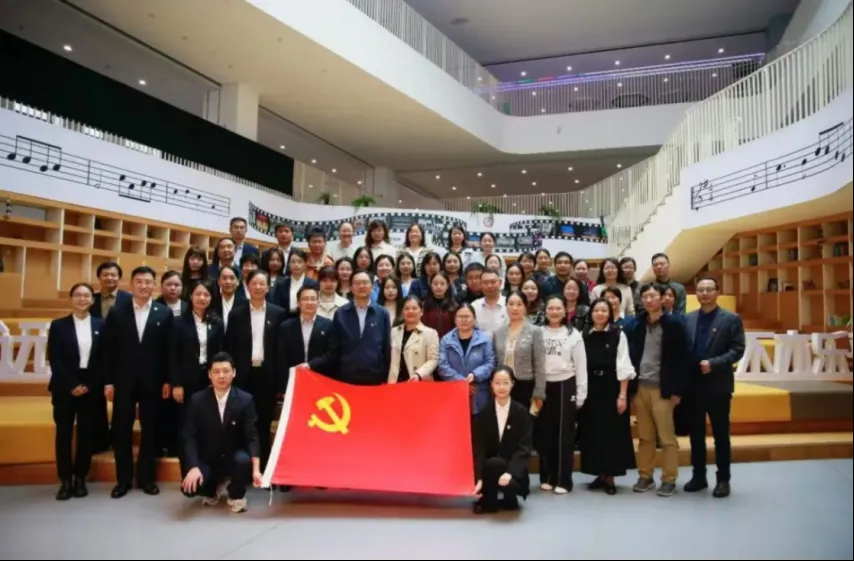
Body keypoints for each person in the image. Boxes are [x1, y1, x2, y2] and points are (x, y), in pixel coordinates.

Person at [103, 266, 175, 499]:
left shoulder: (164, 313)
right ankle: (123, 481)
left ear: (154, 285)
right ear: (131, 284)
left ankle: (146, 479)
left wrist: (168, 380)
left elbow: (169, 351)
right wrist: (108, 381)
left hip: (153, 381)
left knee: (150, 429)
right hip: (123, 381)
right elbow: (108, 350)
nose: (144, 286)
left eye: (148, 282)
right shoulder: (117, 312)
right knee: (121, 429)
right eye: (139, 281)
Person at [625, 283, 690, 498]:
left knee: (667, 438)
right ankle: (645, 475)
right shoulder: (638, 324)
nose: (649, 300)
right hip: (641, 387)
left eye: (653, 296)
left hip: (663, 389)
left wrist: (677, 391)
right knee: (645, 437)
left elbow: (682, 359)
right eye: (645, 297)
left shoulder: (675, 324)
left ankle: (669, 478)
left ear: (663, 299)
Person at [684, 276, 745, 499]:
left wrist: (714, 364)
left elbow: (737, 350)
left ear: (717, 292)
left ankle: (723, 479)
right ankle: (699, 476)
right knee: (696, 435)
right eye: (700, 290)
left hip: (718, 385)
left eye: (709, 289)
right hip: (693, 386)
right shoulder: (688, 319)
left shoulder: (731, 319)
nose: (705, 293)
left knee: (721, 435)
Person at [181, 352, 263, 514]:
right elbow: (189, 436)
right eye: (216, 371)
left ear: (234, 373)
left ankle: (235, 494)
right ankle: (213, 488)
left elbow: (252, 436)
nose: (221, 376)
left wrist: (256, 470)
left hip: (234, 456)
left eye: (226, 371)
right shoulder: (197, 400)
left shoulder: (245, 400)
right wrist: (193, 467)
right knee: (189, 488)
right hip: (209, 457)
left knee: (243, 461)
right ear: (209, 374)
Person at [224, 270, 287, 471]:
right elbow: (230, 347)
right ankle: (242, 468)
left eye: (262, 284)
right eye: (254, 283)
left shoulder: (278, 313)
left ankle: (264, 468)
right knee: (241, 422)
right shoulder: (236, 314)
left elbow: (280, 351)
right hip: (243, 376)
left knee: (263, 422)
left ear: (268, 287)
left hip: (267, 376)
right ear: (247, 286)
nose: (258, 287)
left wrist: (280, 382)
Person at [47, 283, 104, 500]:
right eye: (78, 295)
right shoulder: (58, 325)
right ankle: (65, 480)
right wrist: (72, 385)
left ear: (92, 300)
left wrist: (89, 385)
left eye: (86, 295)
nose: (82, 299)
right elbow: (55, 359)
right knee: (63, 435)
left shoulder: (101, 325)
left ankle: (80, 478)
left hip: (90, 386)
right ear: (71, 299)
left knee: (86, 435)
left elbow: (103, 359)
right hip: (64, 387)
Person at [580, 299, 637, 496]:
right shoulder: (584, 334)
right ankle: (599, 473)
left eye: (604, 310)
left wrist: (622, 395)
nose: (600, 313)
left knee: (612, 433)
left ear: (610, 313)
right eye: (596, 310)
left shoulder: (618, 334)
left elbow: (624, 365)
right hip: (591, 388)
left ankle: (610, 476)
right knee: (593, 431)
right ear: (591, 313)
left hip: (612, 387)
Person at [170, 280, 224, 478]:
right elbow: (172, 355)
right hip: (186, 381)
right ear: (190, 296)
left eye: (206, 295)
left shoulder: (217, 322)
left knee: (208, 424)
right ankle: (187, 471)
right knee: (186, 425)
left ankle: (207, 472)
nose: (202, 298)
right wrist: (176, 383)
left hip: (209, 380)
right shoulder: (178, 322)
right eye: (198, 294)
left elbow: (220, 353)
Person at [538, 295, 587, 494]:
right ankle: (547, 476)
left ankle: (563, 480)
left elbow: (581, 366)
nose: (554, 312)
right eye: (551, 308)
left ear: (565, 310)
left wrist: (581, 394)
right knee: (545, 433)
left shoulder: (574, 335)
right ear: (545, 310)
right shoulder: (538, 332)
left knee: (564, 435)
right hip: (543, 385)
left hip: (565, 384)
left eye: (558, 308)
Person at [472, 366, 533, 514]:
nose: (501, 387)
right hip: (489, 469)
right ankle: (489, 499)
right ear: (491, 385)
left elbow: (524, 448)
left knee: (506, 482)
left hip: (513, 472)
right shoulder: (484, 414)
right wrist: (479, 478)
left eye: (506, 383)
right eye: (497, 383)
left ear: (512, 384)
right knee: (493, 464)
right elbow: (480, 448)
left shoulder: (521, 412)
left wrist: (510, 473)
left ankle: (509, 497)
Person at [328, 270, 392, 385]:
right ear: (351, 288)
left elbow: (386, 347)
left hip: (375, 376)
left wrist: (385, 375)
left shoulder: (382, 313)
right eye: (357, 283)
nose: (361, 286)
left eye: (365, 282)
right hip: (346, 375)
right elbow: (335, 347)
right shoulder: (341, 313)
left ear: (372, 287)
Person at [438, 303, 496, 416]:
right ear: (455, 319)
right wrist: (462, 383)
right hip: (453, 392)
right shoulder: (446, 340)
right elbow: (442, 366)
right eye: (460, 316)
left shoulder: (485, 339)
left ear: (474, 319)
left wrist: (475, 375)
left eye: (467, 316)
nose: (464, 320)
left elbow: (490, 363)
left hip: (478, 392)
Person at [493, 293, 545, 414]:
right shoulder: (498, 332)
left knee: (524, 422)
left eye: (519, 304)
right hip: (502, 386)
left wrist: (539, 393)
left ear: (525, 307)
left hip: (525, 386)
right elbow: (496, 361)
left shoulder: (535, 331)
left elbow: (540, 364)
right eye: (511, 304)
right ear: (506, 306)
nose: (515, 308)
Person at [277, 285, 334, 386]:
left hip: (320, 378)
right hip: (293, 379)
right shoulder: (286, 327)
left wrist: (310, 365)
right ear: (298, 303)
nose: (309, 302)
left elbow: (331, 354)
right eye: (305, 299)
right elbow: (281, 357)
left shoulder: (328, 325)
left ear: (318, 302)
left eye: (313, 299)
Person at [388, 296, 440, 383]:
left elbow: (433, 359)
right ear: (402, 312)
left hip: (418, 381)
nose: (410, 311)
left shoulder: (430, 333)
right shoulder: (394, 331)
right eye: (406, 308)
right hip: (395, 382)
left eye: (414, 308)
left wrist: (418, 374)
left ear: (421, 311)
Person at [471, 269, 508, 335]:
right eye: (485, 283)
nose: (489, 286)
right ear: (480, 284)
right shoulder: (474, 306)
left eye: (493, 282)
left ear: (500, 283)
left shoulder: (509, 304)